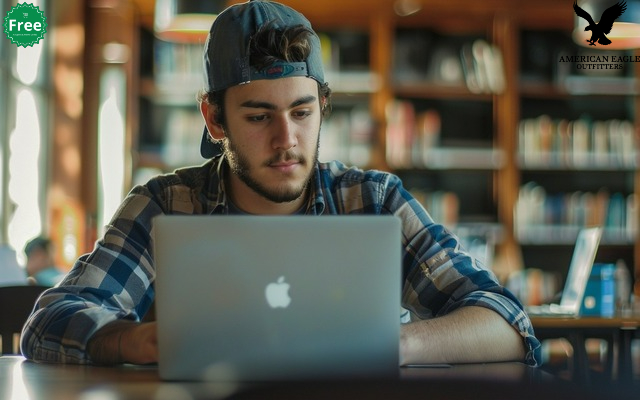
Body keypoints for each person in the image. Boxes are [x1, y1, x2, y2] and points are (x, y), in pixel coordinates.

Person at [21, 0, 541, 366]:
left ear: (322, 108)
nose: (286, 139)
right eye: (257, 116)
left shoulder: (373, 199)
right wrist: (146, 342)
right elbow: (49, 323)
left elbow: (507, 322)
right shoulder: (166, 203)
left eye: (302, 111)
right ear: (214, 118)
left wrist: (393, 344)